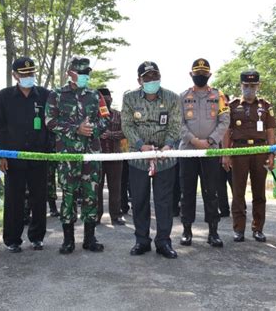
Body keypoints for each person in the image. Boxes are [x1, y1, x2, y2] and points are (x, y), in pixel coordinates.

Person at [46, 56, 107, 254]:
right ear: (69, 73)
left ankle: (90, 238)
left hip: (91, 154)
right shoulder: (56, 95)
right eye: (80, 73)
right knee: (69, 195)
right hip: (68, 154)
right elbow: (49, 121)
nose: (84, 76)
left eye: (86, 73)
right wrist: (75, 129)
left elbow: (105, 119)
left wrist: (92, 129)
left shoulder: (96, 95)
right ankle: (68, 240)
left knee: (91, 195)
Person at [121, 61, 181, 259]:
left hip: (165, 158)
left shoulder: (172, 97)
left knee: (164, 202)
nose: (152, 80)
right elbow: (127, 125)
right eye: (147, 78)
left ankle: (164, 241)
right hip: (139, 158)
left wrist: (168, 146)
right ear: (139, 80)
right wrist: (140, 145)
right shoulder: (129, 98)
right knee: (140, 200)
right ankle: (141, 241)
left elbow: (175, 125)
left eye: (155, 76)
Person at [0, 57, 50, 253]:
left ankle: (37, 237)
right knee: (13, 198)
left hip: (39, 156)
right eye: (24, 74)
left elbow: (50, 126)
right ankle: (12, 239)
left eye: (31, 73)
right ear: (15, 75)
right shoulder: (3, 96)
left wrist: (49, 152)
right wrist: (1, 155)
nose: (28, 77)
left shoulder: (45, 95)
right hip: (13, 157)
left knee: (38, 198)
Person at [178, 58, 230, 248]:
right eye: (197, 74)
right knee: (187, 192)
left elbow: (225, 121)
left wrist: (209, 141)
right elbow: (178, 123)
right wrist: (193, 140)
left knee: (212, 192)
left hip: (210, 151)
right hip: (188, 152)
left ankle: (213, 232)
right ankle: (186, 231)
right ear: (191, 75)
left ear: (209, 75)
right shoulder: (182, 97)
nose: (200, 76)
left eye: (203, 74)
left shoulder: (219, 96)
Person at [222, 70, 276, 243]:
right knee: (238, 192)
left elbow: (270, 132)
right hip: (239, 151)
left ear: (258, 86)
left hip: (260, 150)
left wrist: (271, 154)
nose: (249, 89)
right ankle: (239, 229)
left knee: (259, 192)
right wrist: (226, 154)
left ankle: (258, 228)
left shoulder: (266, 106)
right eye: (246, 85)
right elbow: (226, 132)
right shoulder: (232, 106)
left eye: (253, 86)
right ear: (241, 85)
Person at [97, 88, 126, 226]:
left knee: (116, 187)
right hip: (97, 157)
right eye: (102, 98)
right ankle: (96, 215)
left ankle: (116, 215)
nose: (105, 100)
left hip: (115, 156)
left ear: (111, 99)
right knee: (97, 187)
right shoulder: (93, 115)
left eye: (107, 97)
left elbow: (125, 132)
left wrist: (110, 134)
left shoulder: (118, 115)